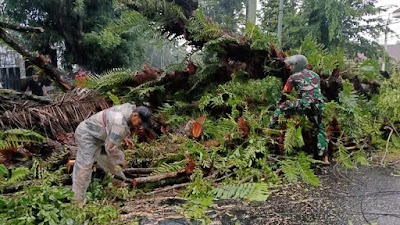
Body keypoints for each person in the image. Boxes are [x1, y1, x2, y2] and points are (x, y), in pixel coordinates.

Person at [72, 103, 151, 207]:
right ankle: (77, 201)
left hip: (100, 134)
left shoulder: (126, 111)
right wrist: (121, 160)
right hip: (87, 135)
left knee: (108, 161)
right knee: (85, 166)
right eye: (140, 122)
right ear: (135, 115)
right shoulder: (119, 124)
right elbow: (111, 148)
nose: (139, 126)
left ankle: (117, 183)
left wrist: (123, 137)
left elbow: (112, 126)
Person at [268, 55, 329, 163]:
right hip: (319, 104)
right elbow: (314, 92)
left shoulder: (293, 77)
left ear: (297, 65)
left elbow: (284, 94)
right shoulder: (316, 76)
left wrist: (280, 104)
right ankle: (325, 158)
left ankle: (268, 129)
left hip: (306, 103)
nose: (289, 68)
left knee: (281, 107)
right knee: (320, 128)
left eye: (291, 65)